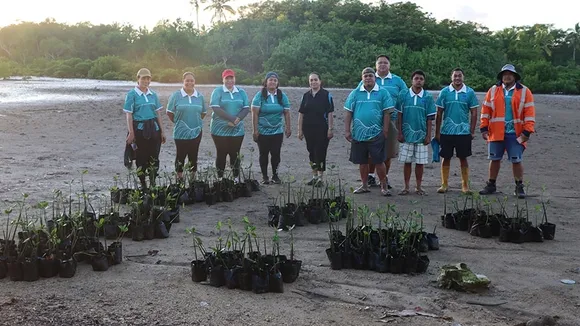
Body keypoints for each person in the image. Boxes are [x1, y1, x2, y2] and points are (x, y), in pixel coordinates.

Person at [479, 64, 535, 199]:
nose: (507, 76)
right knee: (494, 158)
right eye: (505, 74)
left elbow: (529, 112)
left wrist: (527, 131)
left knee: (516, 159)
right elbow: (485, 110)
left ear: (515, 76)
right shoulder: (493, 90)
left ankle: (519, 186)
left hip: (515, 133)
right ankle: (491, 184)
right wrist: (484, 127)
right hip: (496, 131)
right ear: (501, 76)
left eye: (510, 74)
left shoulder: (524, 91)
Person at [358, 55, 408, 189]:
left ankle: (384, 178)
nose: (382, 65)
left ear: (389, 65)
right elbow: (358, 96)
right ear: (376, 65)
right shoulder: (368, 78)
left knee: (387, 152)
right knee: (370, 151)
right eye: (380, 63)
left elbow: (405, 98)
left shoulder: (397, 81)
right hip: (371, 122)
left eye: (385, 62)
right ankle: (370, 176)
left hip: (391, 121)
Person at [345, 67, 395, 196]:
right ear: (362, 78)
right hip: (358, 134)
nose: (368, 78)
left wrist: (385, 130)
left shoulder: (383, 93)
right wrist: (347, 131)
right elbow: (348, 112)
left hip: (377, 133)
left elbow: (387, 112)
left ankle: (383, 185)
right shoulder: (355, 93)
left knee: (379, 161)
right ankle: (364, 185)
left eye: (370, 76)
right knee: (362, 161)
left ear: (375, 78)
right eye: (365, 76)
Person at [434, 68, 479, 194]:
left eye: (460, 76)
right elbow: (439, 113)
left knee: (463, 158)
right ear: (451, 77)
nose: (457, 78)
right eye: (455, 76)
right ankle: (444, 184)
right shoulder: (444, 92)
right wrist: (437, 132)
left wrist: (472, 131)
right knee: (445, 157)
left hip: (463, 132)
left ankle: (465, 185)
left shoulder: (469, 92)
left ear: (463, 77)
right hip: (447, 131)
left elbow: (474, 113)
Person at [123, 68, 166, 189]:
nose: (146, 81)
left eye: (148, 78)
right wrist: (131, 133)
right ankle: (143, 184)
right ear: (138, 79)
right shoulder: (132, 94)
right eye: (143, 78)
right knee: (141, 157)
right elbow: (129, 115)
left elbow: (158, 114)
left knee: (154, 157)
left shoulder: (153, 94)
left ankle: (152, 183)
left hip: (154, 129)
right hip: (140, 130)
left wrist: (162, 131)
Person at [396, 70, 436, 195]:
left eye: (421, 79)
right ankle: (406, 187)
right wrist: (400, 132)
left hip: (421, 135)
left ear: (424, 81)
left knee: (420, 162)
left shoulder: (428, 97)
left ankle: (418, 187)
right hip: (406, 135)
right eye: (416, 78)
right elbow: (399, 115)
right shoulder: (403, 95)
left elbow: (430, 119)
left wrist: (429, 135)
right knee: (407, 162)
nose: (418, 81)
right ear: (412, 80)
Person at [209, 69, 251, 181]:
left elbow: (246, 108)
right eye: (227, 78)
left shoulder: (241, 92)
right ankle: (220, 179)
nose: (229, 80)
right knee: (221, 153)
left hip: (237, 129)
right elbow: (215, 107)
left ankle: (236, 178)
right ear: (223, 79)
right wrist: (231, 118)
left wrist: (237, 120)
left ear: (234, 79)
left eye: (231, 78)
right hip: (219, 128)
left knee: (235, 154)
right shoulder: (218, 91)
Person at [251, 72, 291, 184]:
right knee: (263, 154)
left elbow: (287, 113)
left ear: (277, 83)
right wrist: (255, 130)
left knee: (276, 154)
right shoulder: (259, 95)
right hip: (262, 131)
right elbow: (254, 113)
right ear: (266, 82)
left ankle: (275, 175)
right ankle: (264, 177)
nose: (272, 82)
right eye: (270, 80)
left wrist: (288, 128)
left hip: (277, 131)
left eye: (275, 80)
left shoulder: (281, 96)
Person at [166, 72, 206, 181]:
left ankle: (193, 179)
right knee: (180, 156)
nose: (189, 83)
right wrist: (179, 122)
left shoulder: (200, 96)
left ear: (195, 82)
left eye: (191, 80)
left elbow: (203, 113)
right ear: (183, 81)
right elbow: (169, 112)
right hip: (180, 132)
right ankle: (179, 178)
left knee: (193, 155)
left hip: (196, 131)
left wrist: (194, 122)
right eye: (187, 80)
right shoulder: (176, 95)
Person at [298, 72, 335, 187]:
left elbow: (330, 113)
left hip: (322, 129)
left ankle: (320, 178)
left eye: (315, 80)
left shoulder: (326, 95)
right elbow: (301, 114)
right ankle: (314, 176)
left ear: (320, 81)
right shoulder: (306, 96)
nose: (313, 82)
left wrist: (330, 128)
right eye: (311, 80)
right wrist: (300, 130)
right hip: (308, 129)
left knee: (320, 152)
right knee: (311, 152)